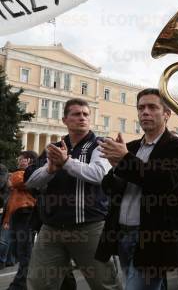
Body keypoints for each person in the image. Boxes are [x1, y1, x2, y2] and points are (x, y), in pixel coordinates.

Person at [95, 88, 178, 290]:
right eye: (141, 108)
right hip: (123, 234)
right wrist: (115, 168)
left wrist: (124, 161)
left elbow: (164, 182)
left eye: (152, 107)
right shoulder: (129, 147)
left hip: (152, 238)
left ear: (166, 114)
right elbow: (109, 187)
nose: (145, 112)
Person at [26, 98, 121, 290]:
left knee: (105, 284)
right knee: (39, 283)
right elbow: (30, 181)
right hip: (52, 228)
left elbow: (99, 174)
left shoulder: (100, 144)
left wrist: (66, 162)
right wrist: (50, 170)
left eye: (86, 114)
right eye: (76, 114)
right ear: (65, 120)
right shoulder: (53, 147)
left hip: (89, 227)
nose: (82, 118)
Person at [2, 151, 37, 290]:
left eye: (21, 159)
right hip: (17, 215)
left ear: (28, 160)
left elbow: (16, 181)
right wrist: (7, 219)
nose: (18, 161)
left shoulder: (30, 174)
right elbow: (11, 201)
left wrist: (13, 176)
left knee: (24, 252)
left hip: (26, 214)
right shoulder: (23, 174)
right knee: (19, 251)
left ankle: (20, 284)